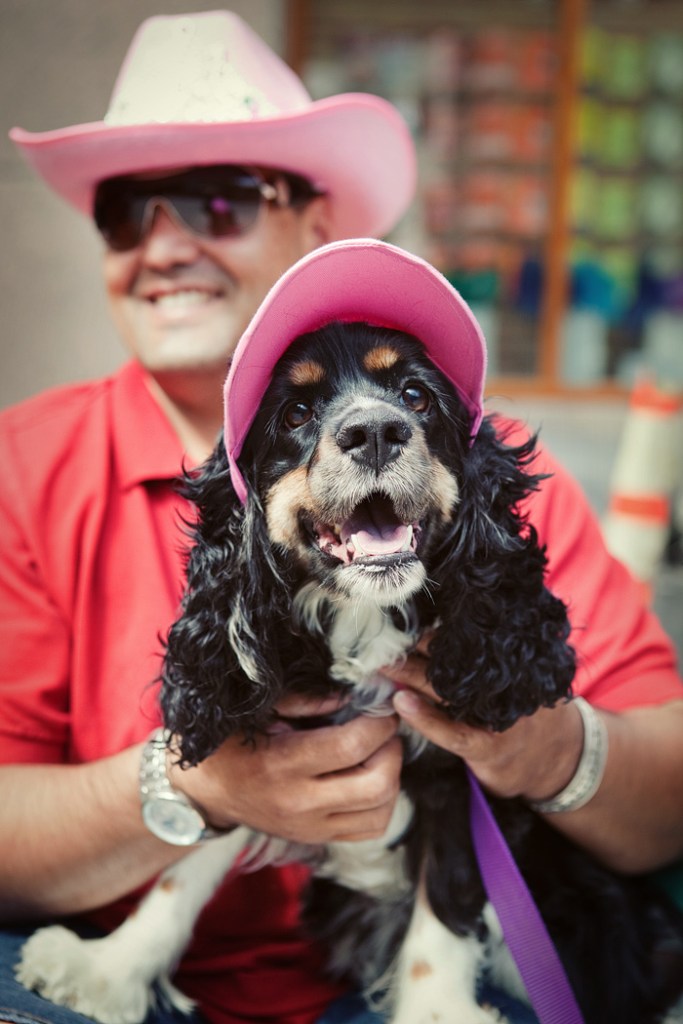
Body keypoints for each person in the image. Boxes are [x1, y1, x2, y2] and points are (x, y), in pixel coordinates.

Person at [0, 9, 681, 1024]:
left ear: (314, 220)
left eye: (218, 199)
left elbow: (668, 798)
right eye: (123, 210)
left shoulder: (479, 466)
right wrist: (194, 779)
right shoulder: (24, 463)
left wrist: (544, 750)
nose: (165, 243)